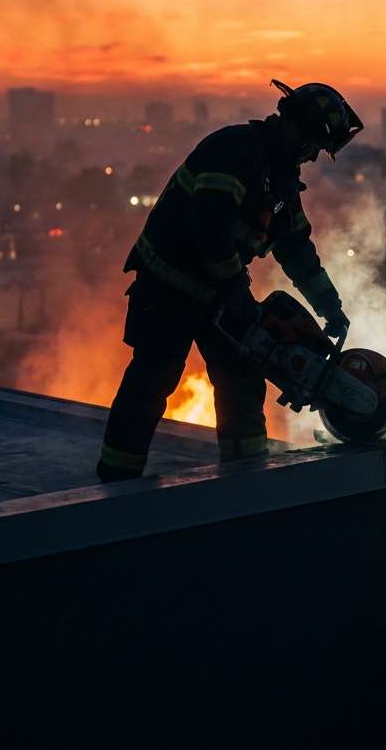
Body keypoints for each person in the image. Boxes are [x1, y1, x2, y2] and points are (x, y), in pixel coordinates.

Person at [96, 79, 364, 481]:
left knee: (242, 377)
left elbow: (296, 249)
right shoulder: (234, 152)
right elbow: (211, 230)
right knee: (154, 377)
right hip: (167, 284)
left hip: (216, 292)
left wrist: (330, 306)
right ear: (296, 128)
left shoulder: (281, 180)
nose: (310, 157)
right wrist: (237, 294)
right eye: (311, 145)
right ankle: (117, 478)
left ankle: (246, 481)